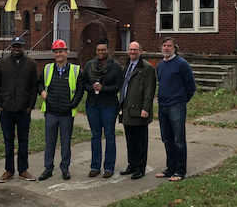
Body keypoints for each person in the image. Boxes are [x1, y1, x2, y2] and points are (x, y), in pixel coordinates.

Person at [0, 36, 38, 183]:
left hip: (24, 110)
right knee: (8, 141)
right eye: (14, 46)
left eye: (19, 46)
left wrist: (30, 106)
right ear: (10, 47)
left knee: (23, 141)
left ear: (23, 47)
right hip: (6, 110)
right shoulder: (2, 64)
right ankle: (9, 170)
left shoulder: (31, 64)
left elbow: (34, 87)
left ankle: (23, 170)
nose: (16, 49)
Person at [38, 39, 85, 181]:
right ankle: (48, 168)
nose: (58, 54)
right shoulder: (47, 69)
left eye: (60, 51)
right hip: (51, 112)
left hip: (66, 114)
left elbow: (80, 90)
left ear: (66, 52)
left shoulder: (76, 70)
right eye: (56, 52)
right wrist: (43, 94)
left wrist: (73, 104)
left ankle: (65, 168)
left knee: (65, 143)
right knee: (50, 142)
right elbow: (39, 84)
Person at [155, 37, 196, 182]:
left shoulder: (181, 64)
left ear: (175, 48)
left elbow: (191, 86)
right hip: (163, 106)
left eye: (169, 46)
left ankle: (180, 171)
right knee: (167, 139)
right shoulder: (160, 65)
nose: (166, 48)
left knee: (179, 140)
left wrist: (182, 100)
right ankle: (170, 169)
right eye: (164, 45)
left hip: (176, 106)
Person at [83, 38, 124, 178]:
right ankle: (95, 166)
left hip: (109, 105)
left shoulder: (116, 67)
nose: (100, 52)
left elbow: (118, 86)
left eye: (103, 50)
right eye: (98, 50)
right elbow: (84, 84)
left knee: (109, 135)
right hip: (92, 105)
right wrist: (92, 87)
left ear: (108, 50)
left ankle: (109, 167)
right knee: (95, 135)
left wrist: (103, 88)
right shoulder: (89, 65)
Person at [118, 41, 156, 180]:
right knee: (130, 140)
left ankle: (140, 168)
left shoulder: (146, 68)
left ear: (140, 51)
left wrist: (146, 109)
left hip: (139, 110)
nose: (132, 52)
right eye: (130, 49)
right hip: (127, 109)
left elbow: (149, 90)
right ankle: (132, 165)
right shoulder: (127, 65)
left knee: (140, 141)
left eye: (135, 50)